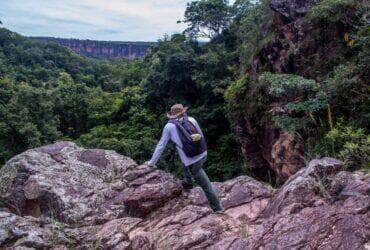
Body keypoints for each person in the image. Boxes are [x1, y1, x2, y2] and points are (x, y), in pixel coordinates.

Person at [146, 104, 224, 212]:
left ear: (171, 115)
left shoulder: (169, 127)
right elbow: (201, 136)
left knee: (206, 185)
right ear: (183, 112)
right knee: (184, 157)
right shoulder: (192, 119)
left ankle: (218, 209)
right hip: (203, 153)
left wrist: (151, 163)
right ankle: (188, 181)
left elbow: (161, 145)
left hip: (191, 161)